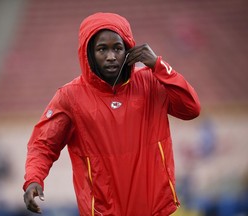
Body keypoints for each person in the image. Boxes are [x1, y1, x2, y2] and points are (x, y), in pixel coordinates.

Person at [23, 12, 201, 216]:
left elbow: (191, 109)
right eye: (101, 49)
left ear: (128, 49)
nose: (110, 56)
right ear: (88, 52)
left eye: (117, 48)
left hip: (156, 211)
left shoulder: (151, 81)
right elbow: (43, 144)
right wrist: (34, 179)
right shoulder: (70, 97)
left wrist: (159, 66)